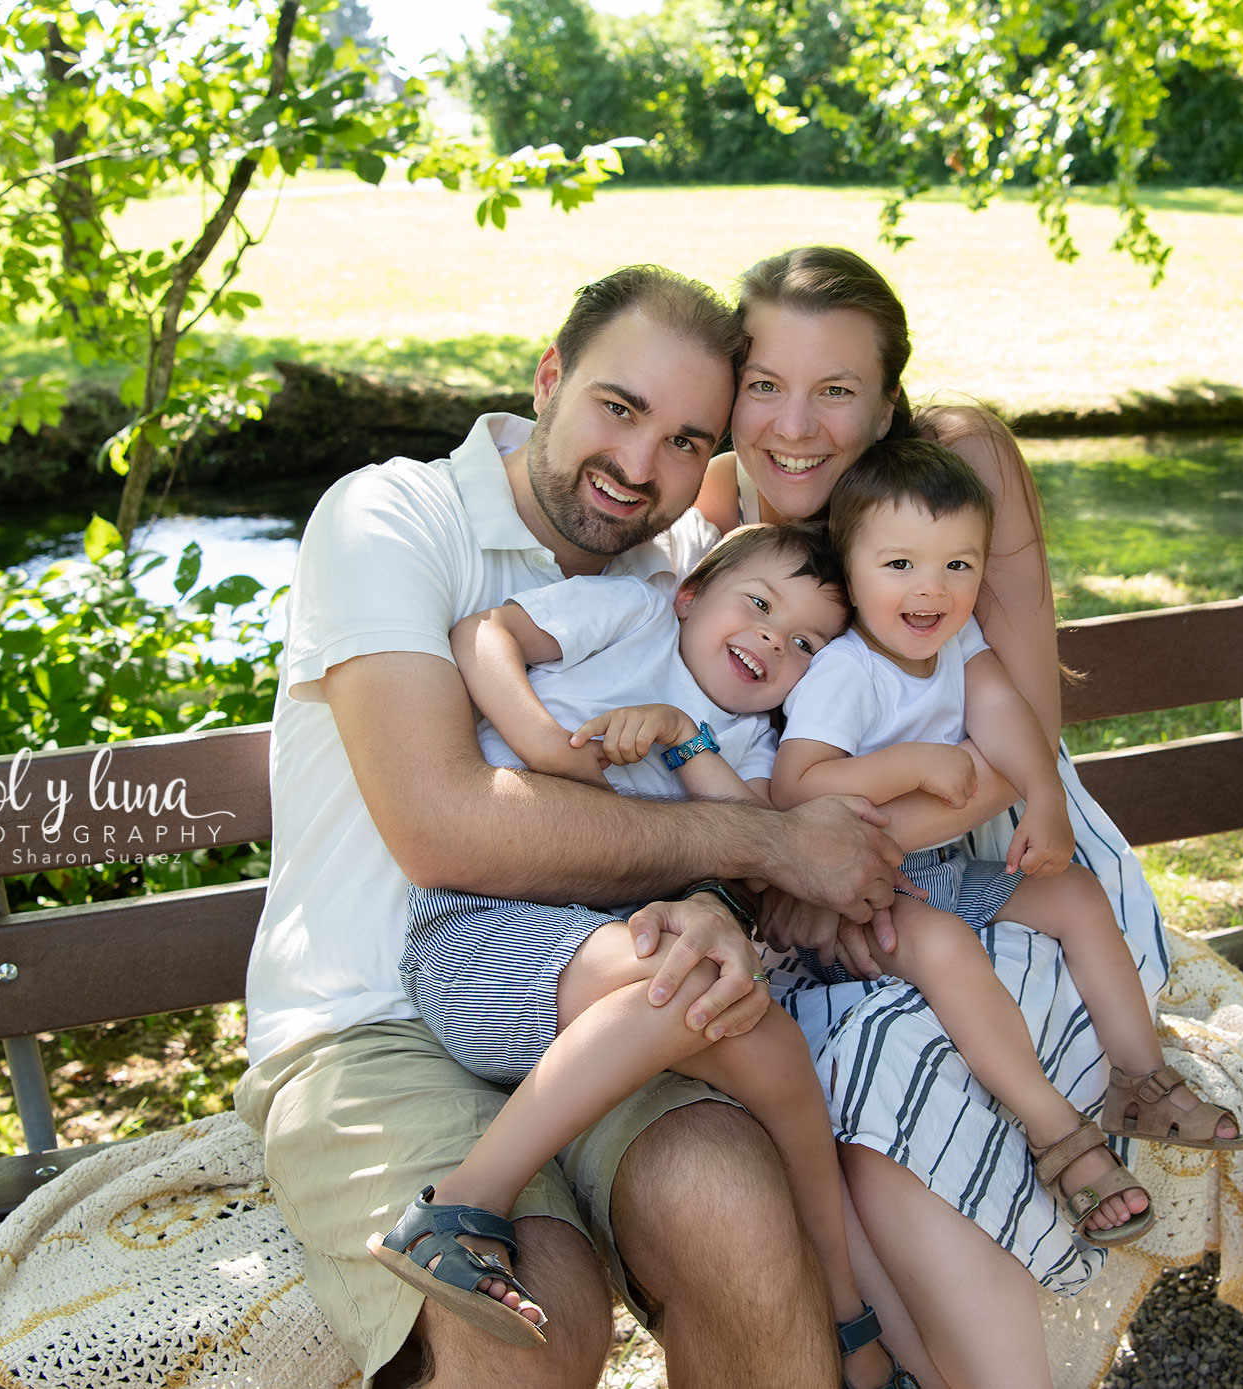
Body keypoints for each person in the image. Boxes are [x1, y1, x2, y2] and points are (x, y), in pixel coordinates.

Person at [235, 264, 914, 1389]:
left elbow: (762, 732)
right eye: (618, 407)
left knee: (734, 1211)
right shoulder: (390, 515)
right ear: (548, 378)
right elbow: (446, 830)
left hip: (604, 995)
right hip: (376, 1020)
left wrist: (732, 891)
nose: (641, 466)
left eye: (690, 440)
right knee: (531, 1314)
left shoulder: (675, 579)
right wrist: (757, 850)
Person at [693, 246, 1205, 1389]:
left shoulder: (956, 464)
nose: (794, 426)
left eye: (836, 391)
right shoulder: (720, 501)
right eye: (765, 383)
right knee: (856, 1058)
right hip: (834, 894)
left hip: (1012, 852)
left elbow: (1001, 750)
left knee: (889, 1055)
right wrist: (797, 869)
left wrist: (816, 860)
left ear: (888, 401)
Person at [372, 523, 909, 1388]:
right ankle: (462, 1203)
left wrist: (684, 736)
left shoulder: (755, 743)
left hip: (608, 976)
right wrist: (546, 745)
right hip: (479, 936)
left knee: (765, 1038)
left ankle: (847, 1315)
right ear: (690, 593)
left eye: (805, 641)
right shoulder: (633, 612)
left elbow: (761, 844)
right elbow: (483, 634)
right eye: (760, 604)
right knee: (706, 980)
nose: (774, 638)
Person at [770, 439, 1243, 1251]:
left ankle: (1141, 1075)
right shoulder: (846, 673)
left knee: (1075, 895)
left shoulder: (955, 647)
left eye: (959, 565)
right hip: (860, 898)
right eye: (900, 564)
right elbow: (796, 791)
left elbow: (1003, 712)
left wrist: (1048, 797)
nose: (932, 588)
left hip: (939, 872)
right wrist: (910, 763)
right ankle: (1061, 1138)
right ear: (850, 576)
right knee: (947, 947)